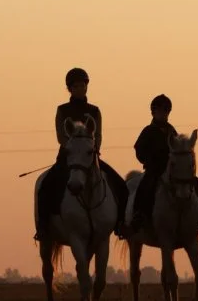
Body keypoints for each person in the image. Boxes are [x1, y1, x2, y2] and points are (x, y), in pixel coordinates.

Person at [34, 67, 128, 241]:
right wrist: (73, 151)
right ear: (70, 89)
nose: (80, 89)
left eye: (83, 85)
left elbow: (98, 134)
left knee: (120, 184)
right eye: (76, 86)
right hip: (67, 159)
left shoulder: (95, 110)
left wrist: (94, 149)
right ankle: (43, 227)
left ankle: (121, 224)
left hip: (90, 158)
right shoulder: (62, 110)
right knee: (45, 186)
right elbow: (61, 137)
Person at [128, 94, 198, 234]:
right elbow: (139, 149)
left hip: (172, 170)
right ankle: (139, 214)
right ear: (153, 112)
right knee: (146, 184)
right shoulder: (148, 131)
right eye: (159, 111)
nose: (163, 114)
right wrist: (149, 161)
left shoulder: (172, 131)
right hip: (154, 169)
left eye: (165, 111)